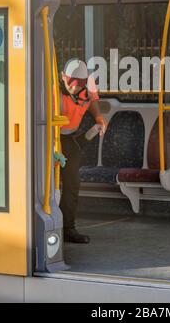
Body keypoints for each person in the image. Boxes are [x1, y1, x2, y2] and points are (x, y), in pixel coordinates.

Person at [58, 58, 107, 244]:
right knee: (47, 185)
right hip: (49, 138)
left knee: (72, 184)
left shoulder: (88, 83)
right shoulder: (51, 87)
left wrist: (99, 118)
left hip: (70, 138)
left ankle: (68, 229)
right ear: (63, 77)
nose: (75, 88)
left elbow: (92, 99)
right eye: (71, 83)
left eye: (80, 84)